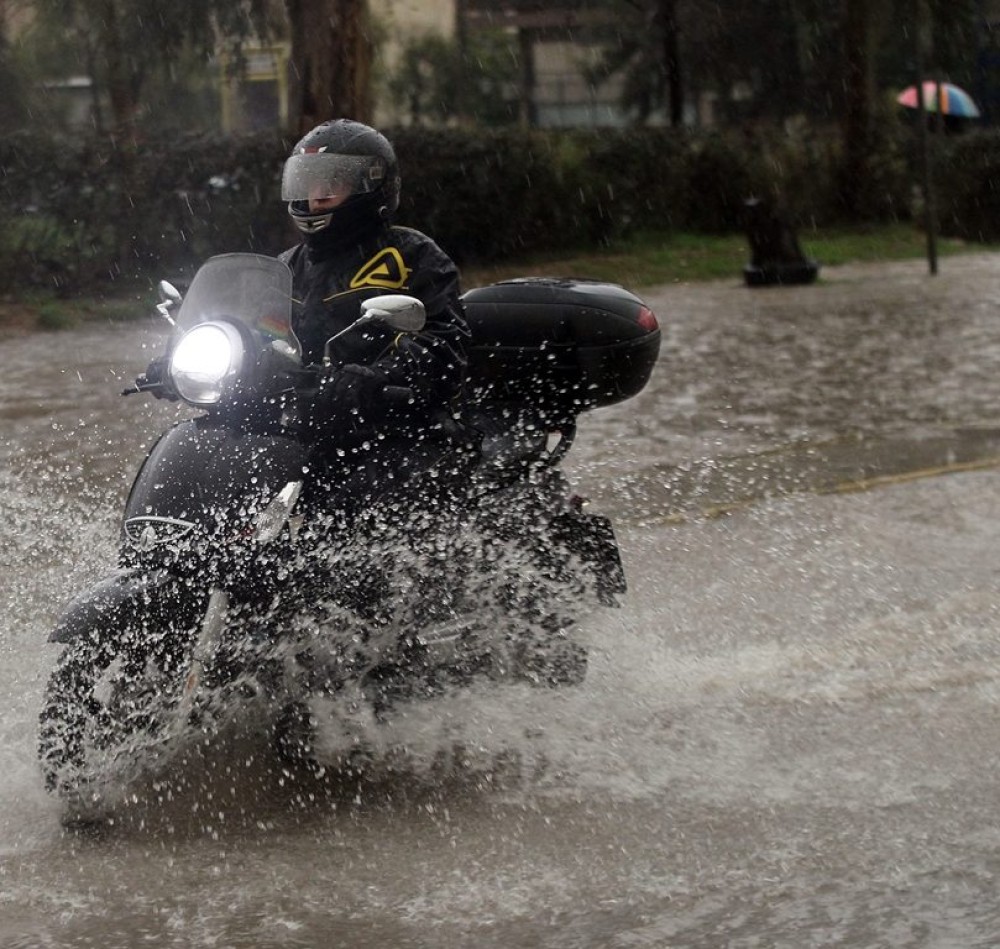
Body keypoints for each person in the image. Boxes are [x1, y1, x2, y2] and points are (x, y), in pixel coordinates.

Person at [278, 119, 472, 516]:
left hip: (395, 427)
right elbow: (255, 329)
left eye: (331, 185)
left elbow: (443, 341)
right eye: (309, 184)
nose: (316, 198)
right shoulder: (285, 268)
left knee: (354, 511)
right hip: (306, 424)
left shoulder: (413, 256)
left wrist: (377, 377)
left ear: (371, 187)